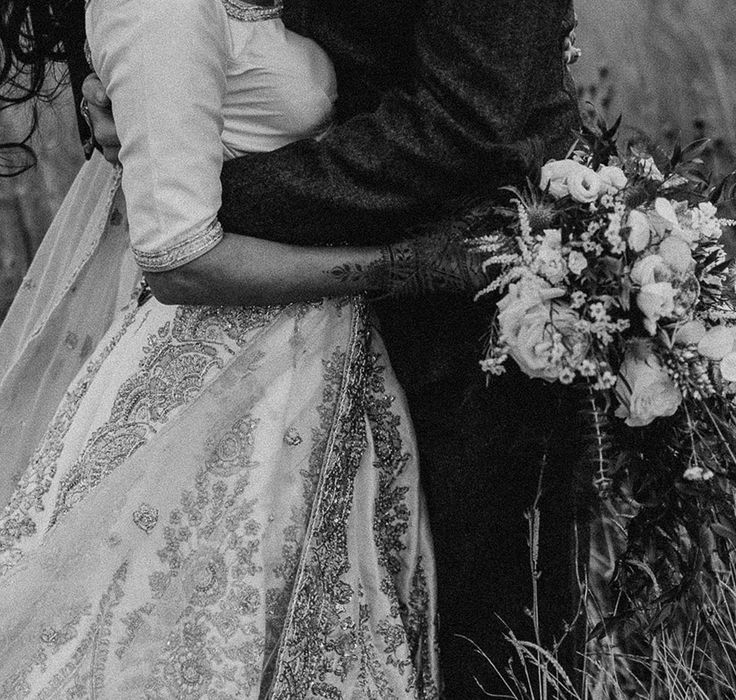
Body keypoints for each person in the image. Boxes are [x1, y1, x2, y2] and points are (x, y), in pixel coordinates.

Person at [2, 2, 582, 699]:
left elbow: (474, 120)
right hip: (238, 364)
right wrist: (178, 180)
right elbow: (180, 249)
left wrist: (189, 170)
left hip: (380, 346)